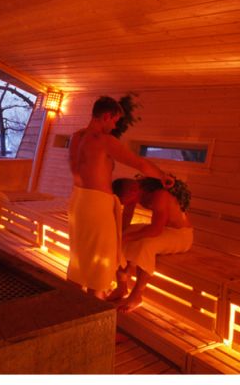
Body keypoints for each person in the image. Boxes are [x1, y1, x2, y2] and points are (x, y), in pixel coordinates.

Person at [67, 96, 174, 299]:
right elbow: (139, 164)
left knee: (80, 258)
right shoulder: (104, 140)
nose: (115, 126)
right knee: (100, 260)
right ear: (107, 116)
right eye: (115, 121)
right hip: (97, 205)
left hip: (77, 202)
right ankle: (94, 312)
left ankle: (72, 305)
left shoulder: (76, 137)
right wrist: (162, 176)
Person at [108, 177, 193, 312]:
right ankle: (121, 286)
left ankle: (137, 295)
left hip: (180, 235)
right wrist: (119, 236)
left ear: (132, 191)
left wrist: (126, 238)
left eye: (124, 201)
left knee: (146, 245)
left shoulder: (160, 195)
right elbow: (126, 218)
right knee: (121, 236)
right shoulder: (136, 193)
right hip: (164, 231)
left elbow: (155, 230)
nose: (125, 204)